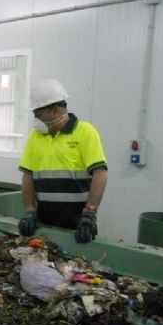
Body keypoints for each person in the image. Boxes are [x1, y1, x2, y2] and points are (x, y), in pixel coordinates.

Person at [18, 79, 108, 243]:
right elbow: (28, 176)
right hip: (44, 224)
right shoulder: (36, 137)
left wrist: (89, 213)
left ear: (55, 111)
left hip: (77, 224)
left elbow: (100, 173)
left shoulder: (85, 132)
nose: (35, 118)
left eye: (38, 114)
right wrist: (30, 211)